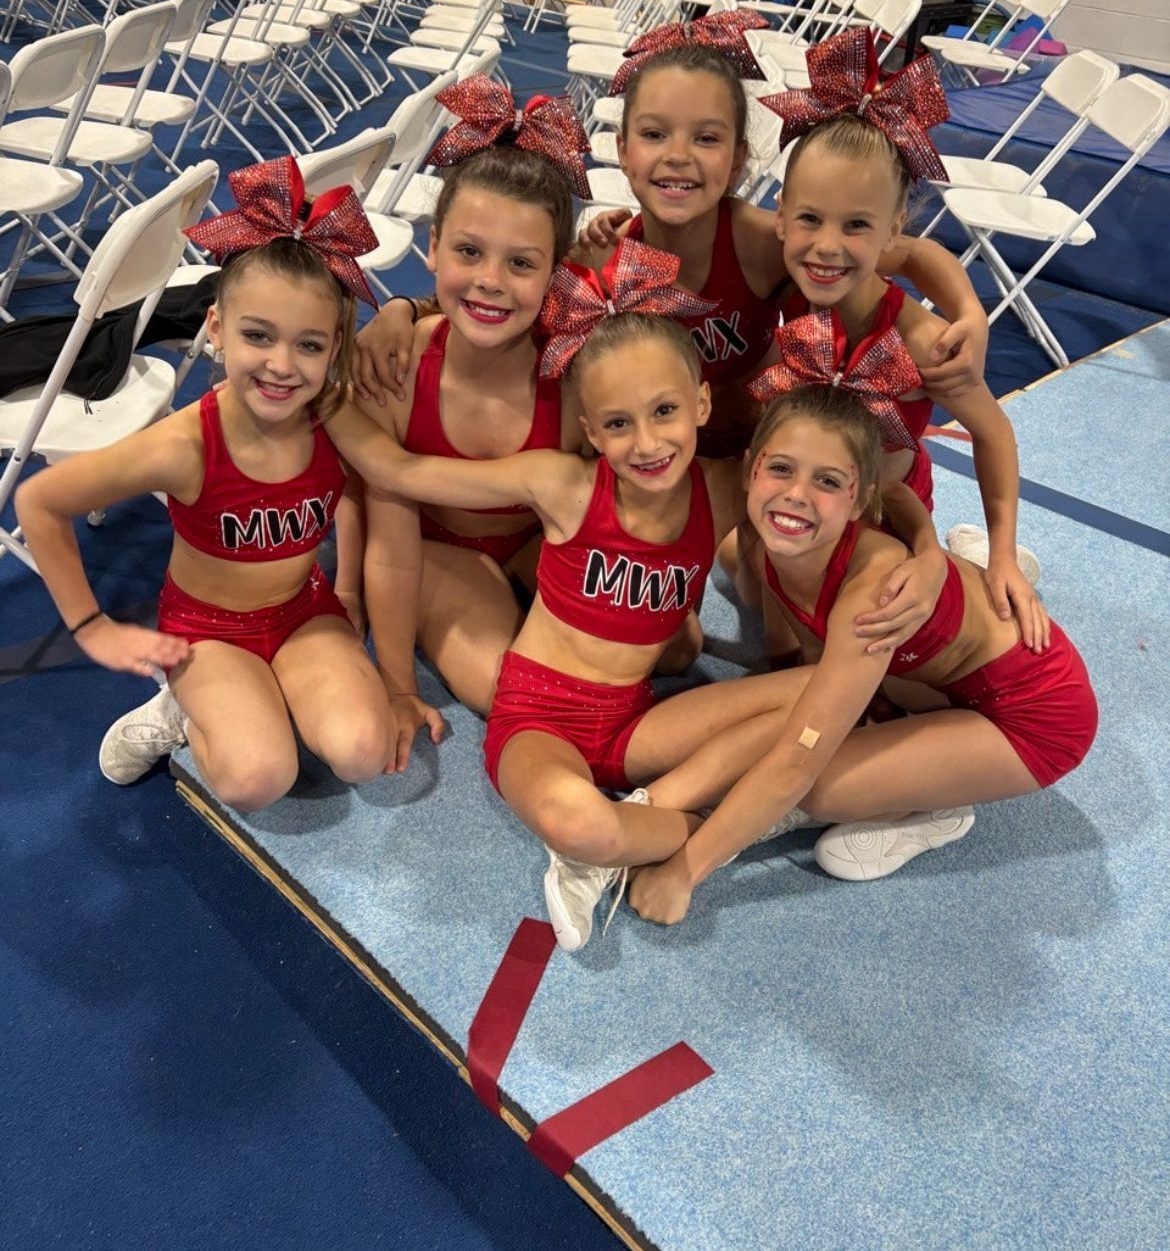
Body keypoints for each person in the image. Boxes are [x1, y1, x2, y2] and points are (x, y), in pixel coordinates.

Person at [328, 283, 948, 951]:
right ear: (591, 431)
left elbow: (866, 483)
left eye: (664, 412)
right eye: (619, 424)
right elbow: (398, 469)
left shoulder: (725, 486)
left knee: (833, 693)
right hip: (538, 720)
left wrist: (930, 552)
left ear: (701, 404)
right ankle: (734, 823)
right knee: (581, 827)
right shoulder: (561, 484)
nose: (647, 442)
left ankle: (682, 818)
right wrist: (323, 391)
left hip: (636, 720)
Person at [626, 385, 1097, 926]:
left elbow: (796, 765)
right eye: (781, 469)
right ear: (751, 469)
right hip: (943, 684)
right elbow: (894, 497)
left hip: (1036, 721)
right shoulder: (783, 542)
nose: (796, 494)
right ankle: (922, 722)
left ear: (857, 500)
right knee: (806, 695)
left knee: (821, 785)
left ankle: (932, 808)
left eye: (826, 481)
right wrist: (927, 546)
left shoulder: (872, 595)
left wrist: (685, 870)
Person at [15, 158, 397, 811]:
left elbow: (361, 486)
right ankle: (181, 714)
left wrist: (350, 588)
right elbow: (39, 500)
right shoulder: (185, 444)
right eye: (258, 336)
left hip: (301, 609)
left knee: (364, 753)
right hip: (207, 628)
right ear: (216, 328)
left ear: (336, 346)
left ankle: (263, 697)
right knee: (258, 779)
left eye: (308, 345)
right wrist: (91, 626)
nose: (281, 365)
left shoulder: (332, 414)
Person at [751, 27, 1043, 642]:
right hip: (804, 500)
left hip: (886, 521)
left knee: (873, 634)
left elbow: (994, 432)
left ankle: (974, 559)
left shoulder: (922, 343)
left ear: (891, 229)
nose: (827, 245)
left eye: (856, 226)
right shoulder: (788, 279)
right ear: (781, 217)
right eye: (810, 219)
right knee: (747, 568)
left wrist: (1005, 555)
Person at [573, 29, 991, 456]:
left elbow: (912, 254)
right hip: (664, 459)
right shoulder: (607, 260)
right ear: (623, 151)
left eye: (706, 138)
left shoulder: (759, 242)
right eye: (654, 134)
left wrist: (971, 313)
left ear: (738, 159)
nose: (678, 155)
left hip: (761, 452)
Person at [354, 137, 583, 729]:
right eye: (469, 251)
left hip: (531, 540)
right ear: (432, 247)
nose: (490, 280)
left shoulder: (575, 377)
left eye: (521, 263)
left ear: (555, 273)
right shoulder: (395, 369)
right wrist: (397, 687)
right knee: (502, 689)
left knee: (673, 644)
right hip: (433, 550)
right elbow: (392, 552)